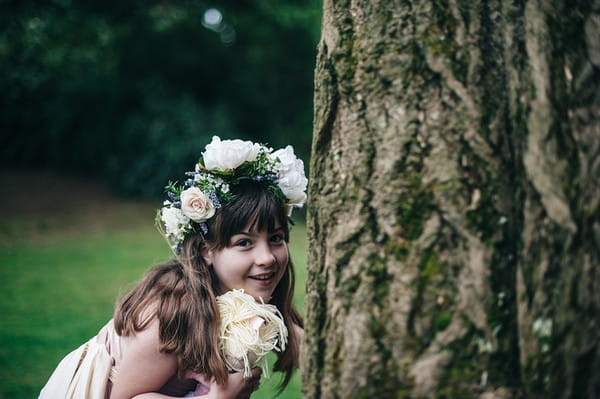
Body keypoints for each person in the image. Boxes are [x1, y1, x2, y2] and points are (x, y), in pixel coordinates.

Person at [39, 136, 307, 399]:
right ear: (206, 252)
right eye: (244, 243)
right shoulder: (173, 312)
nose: (267, 258)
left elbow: (308, 347)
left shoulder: (251, 296)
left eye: (276, 239)